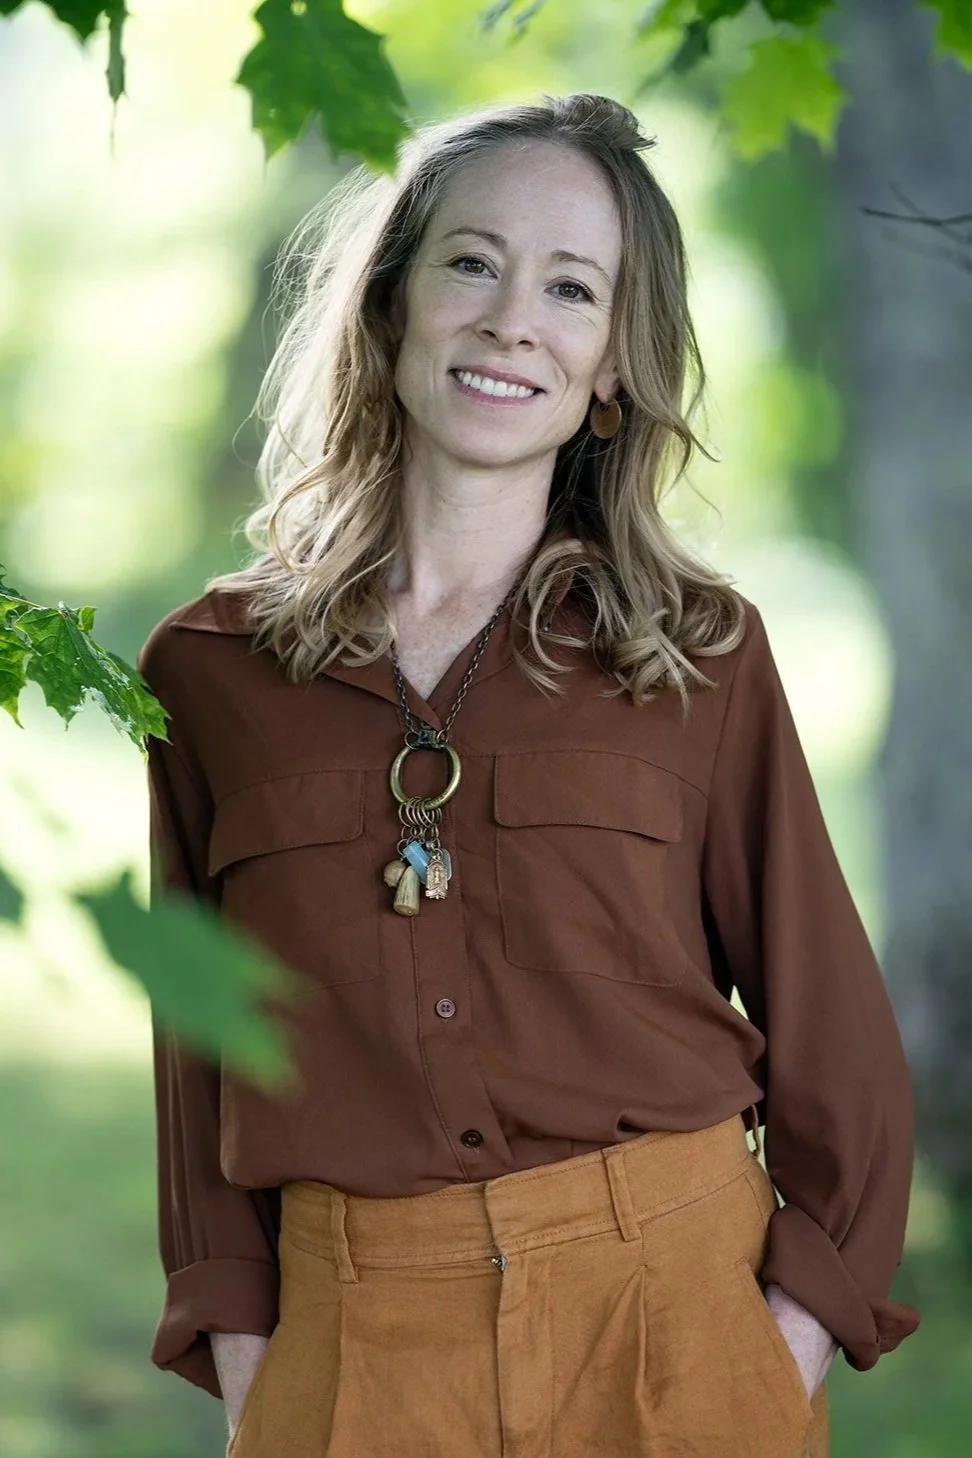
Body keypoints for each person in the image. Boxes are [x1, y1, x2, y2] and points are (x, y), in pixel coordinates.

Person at [137, 93, 920, 1458]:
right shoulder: (210, 671)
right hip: (355, 1342)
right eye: (472, 262)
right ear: (391, 309)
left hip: (677, 1326)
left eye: (572, 287)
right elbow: (197, 1052)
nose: (513, 320)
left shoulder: (698, 654)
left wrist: (784, 1331)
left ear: (614, 360)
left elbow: (832, 1030)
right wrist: (258, 1355)